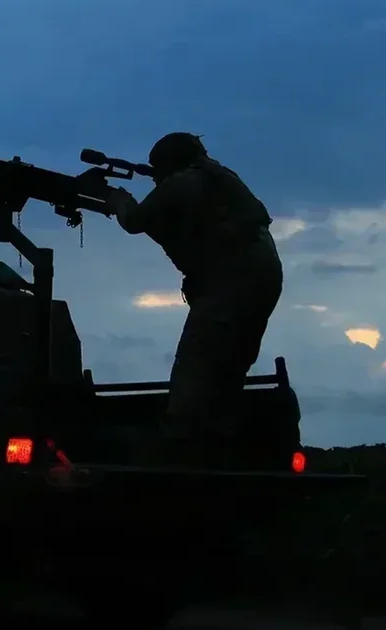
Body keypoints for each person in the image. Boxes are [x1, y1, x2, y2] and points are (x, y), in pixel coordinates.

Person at [105, 132, 283, 466]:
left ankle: (180, 446)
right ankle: (219, 443)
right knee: (229, 366)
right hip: (261, 276)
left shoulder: (184, 182)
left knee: (196, 363)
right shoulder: (220, 179)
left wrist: (117, 200)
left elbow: (135, 221)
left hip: (231, 281)